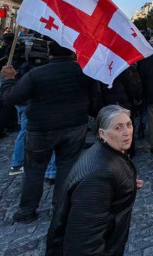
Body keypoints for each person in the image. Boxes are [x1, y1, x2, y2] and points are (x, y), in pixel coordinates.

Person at [1, 41, 101, 223]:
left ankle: (27, 210)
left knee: (33, 171)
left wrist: (8, 80)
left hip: (41, 129)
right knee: (66, 168)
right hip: (74, 127)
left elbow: (12, 98)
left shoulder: (36, 74)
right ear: (73, 52)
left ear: (49, 53)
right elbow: (95, 104)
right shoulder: (85, 73)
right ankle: (60, 207)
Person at [45, 105, 141, 255]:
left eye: (129, 125)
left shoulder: (106, 153)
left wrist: (127, 185)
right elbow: (84, 243)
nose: (127, 132)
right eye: (118, 127)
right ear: (102, 134)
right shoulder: (97, 178)